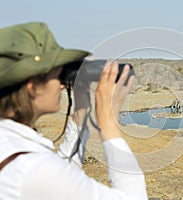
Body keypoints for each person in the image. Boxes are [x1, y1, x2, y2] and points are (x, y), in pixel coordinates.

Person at [0, 22, 147, 199]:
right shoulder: (33, 170)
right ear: (32, 86)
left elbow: (61, 172)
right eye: (58, 75)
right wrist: (109, 123)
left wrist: (81, 114)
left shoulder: (12, 149)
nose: (62, 85)